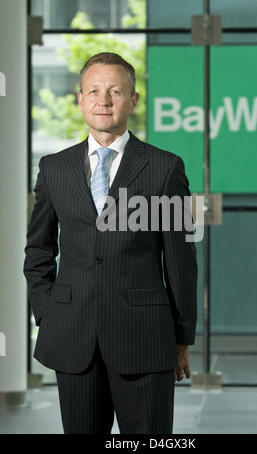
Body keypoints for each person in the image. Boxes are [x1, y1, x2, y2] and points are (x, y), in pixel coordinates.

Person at [23, 52, 198, 434]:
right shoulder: (53, 168)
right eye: (95, 91)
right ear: (80, 98)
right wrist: (49, 315)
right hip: (73, 339)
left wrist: (182, 336)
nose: (104, 101)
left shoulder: (165, 168)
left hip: (145, 338)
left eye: (115, 91)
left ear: (133, 100)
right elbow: (38, 251)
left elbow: (181, 261)